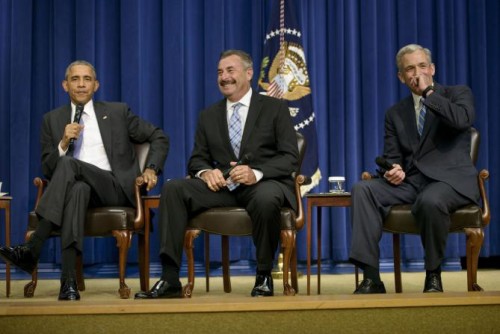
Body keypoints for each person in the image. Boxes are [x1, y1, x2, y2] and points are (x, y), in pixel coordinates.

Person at [135, 49, 299, 299]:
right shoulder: (208, 115)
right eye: (220, 72)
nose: (224, 77)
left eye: (230, 71)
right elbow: (197, 158)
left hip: (263, 184)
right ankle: (170, 279)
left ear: (249, 73)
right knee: (173, 188)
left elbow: (290, 157)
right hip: (223, 187)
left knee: (266, 199)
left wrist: (256, 172)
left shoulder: (275, 108)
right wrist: (205, 172)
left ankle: (264, 275)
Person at [0, 60, 169, 301]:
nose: (81, 84)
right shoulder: (52, 120)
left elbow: (158, 136)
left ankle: (33, 247)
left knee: (70, 165)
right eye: (75, 79)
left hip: (114, 188)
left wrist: (152, 169)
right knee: (77, 189)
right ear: (64, 85)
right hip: (75, 191)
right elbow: (49, 169)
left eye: (87, 79)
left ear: (96, 85)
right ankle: (68, 284)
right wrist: (63, 143)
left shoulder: (118, 112)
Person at [349, 44, 479, 294]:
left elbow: (461, 120)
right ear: (401, 77)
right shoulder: (395, 113)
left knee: (430, 200)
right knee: (362, 190)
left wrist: (430, 93)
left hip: (449, 182)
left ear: (432, 69)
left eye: (421, 66)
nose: (416, 73)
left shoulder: (457, 94)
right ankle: (371, 277)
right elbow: (392, 157)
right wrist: (393, 170)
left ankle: (433, 275)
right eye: (409, 69)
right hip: (412, 182)